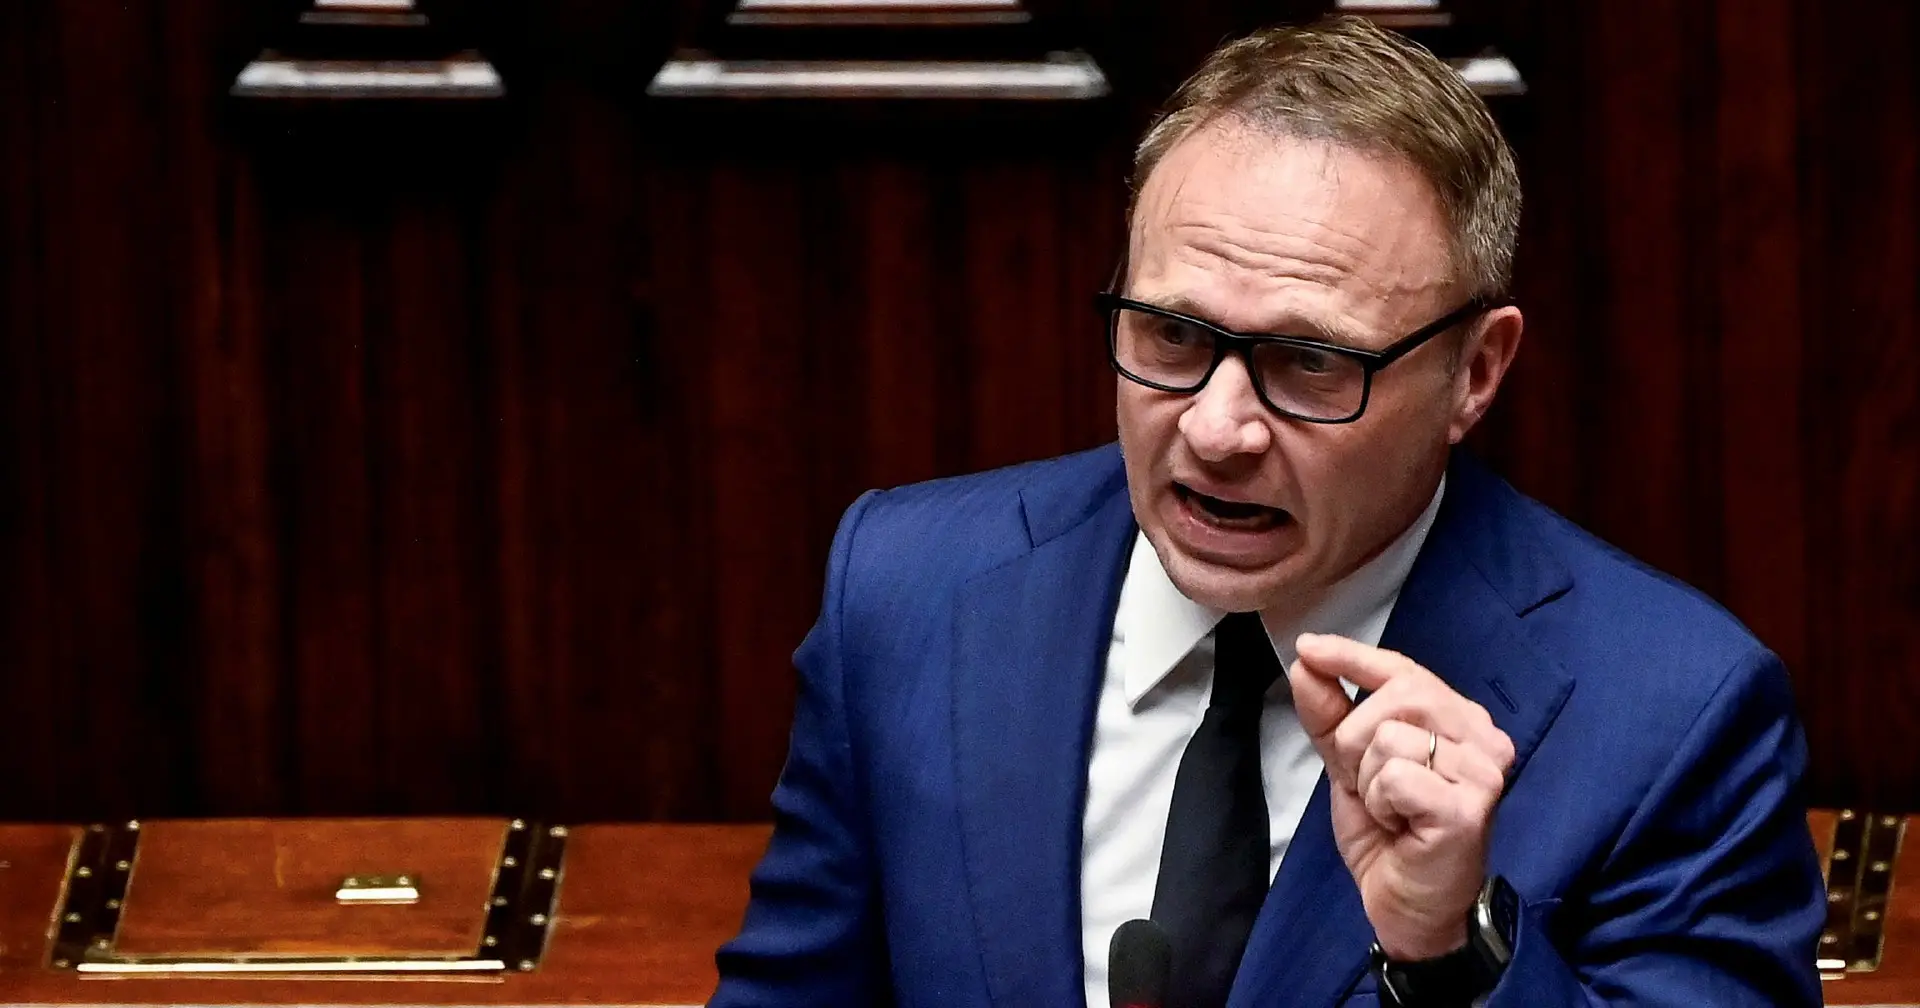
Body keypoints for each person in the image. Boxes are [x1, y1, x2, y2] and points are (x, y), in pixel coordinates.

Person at [708, 15, 1823, 1008]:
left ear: (1476, 373)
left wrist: (1451, 953)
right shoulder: (907, 596)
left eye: (1309, 362)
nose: (1216, 429)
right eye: (1172, 336)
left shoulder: (1672, 714)